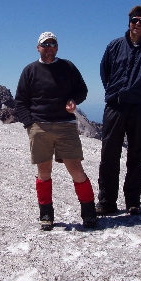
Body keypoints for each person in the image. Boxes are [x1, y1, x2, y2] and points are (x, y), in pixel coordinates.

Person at [15, 31, 97, 231]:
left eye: (53, 43)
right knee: (44, 172)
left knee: (76, 170)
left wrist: (74, 100)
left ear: (57, 47)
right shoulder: (30, 70)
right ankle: (46, 214)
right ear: (38, 47)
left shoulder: (68, 67)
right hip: (39, 127)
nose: (49, 47)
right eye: (45, 44)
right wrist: (30, 125)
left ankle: (89, 212)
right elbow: (20, 102)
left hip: (65, 126)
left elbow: (82, 90)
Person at [97, 6, 141, 216]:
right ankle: (107, 202)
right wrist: (113, 91)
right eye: (134, 20)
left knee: (137, 155)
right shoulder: (115, 46)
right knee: (109, 154)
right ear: (129, 22)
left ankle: (133, 202)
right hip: (115, 106)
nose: (137, 24)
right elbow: (105, 71)